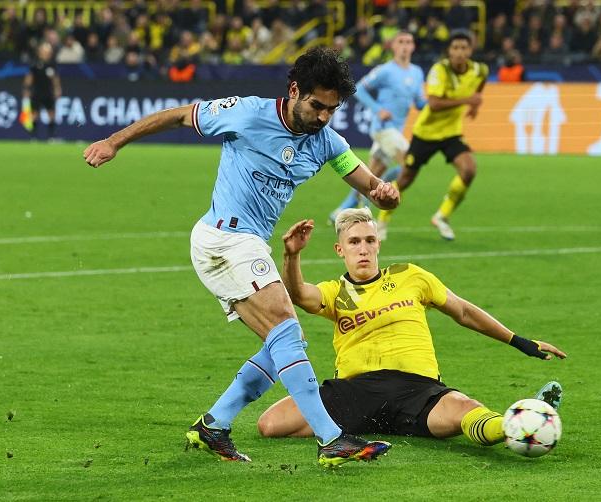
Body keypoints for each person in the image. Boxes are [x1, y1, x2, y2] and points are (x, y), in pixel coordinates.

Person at [82, 48, 400, 468]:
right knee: (285, 330)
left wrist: (383, 192)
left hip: (247, 244)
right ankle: (331, 438)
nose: (324, 116)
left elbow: (367, 182)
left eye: (332, 109)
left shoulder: (327, 142)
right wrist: (113, 142)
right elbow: (179, 116)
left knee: (281, 343)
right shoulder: (247, 113)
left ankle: (214, 424)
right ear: (294, 91)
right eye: (317, 105)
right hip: (224, 239)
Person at [257, 207, 566, 449]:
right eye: (354, 242)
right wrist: (292, 255)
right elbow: (298, 294)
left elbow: (463, 311)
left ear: (378, 244)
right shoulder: (335, 292)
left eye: (369, 240)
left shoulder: (410, 276)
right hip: (357, 392)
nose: (363, 249)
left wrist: (519, 341)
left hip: (417, 389)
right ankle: (525, 422)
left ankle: (521, 423)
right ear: (340, 249)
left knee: (465, 411)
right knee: (270, 424)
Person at [377, 30, 488, 241]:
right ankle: (382, 220)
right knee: (406, 179)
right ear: (449, 51)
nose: (460, 52)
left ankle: (442, 216)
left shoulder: (479, 69)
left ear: (470, 50)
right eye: (455, 48)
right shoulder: (439, 70)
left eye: (464, 48)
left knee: (469, 170)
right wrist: (468, 101)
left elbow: (480, 82)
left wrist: (475, 104)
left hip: (451, 133)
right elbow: (435, 104)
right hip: (426, 133)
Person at [327, 30, 426, 225]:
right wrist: (378, 109)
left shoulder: (417, 72)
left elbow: (420, 103)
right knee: (409, 164)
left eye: (409, 42)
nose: (405, 46)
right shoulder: (385, 70)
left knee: (370, 175)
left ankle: (341, 211)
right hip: (383, 128)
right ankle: (377, 209)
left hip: (396, 131)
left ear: (414, 46)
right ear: (393, 46)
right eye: (401, 41)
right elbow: (359, 89)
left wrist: (436, 102)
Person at [22, 42, 61, 141]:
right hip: (37, 92)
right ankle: (33, 137)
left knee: (51, 114)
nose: (47, 54)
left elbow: (55, 78)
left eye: (48, 52)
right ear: (40, 52)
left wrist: (57, 89)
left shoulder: (52, 64)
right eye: (45, 52)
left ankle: (51, 137)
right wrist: (26, 89)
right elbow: (29, 77)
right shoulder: (34, 64)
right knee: (35, 115)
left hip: (48, 92)